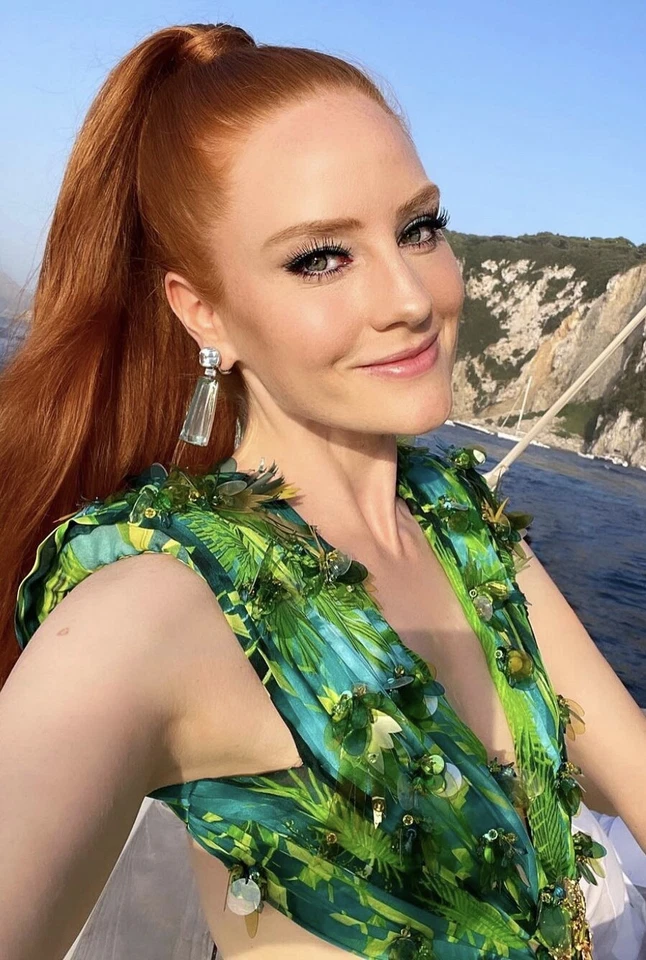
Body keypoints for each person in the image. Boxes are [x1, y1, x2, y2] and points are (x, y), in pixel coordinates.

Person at [0, 20, 645, 960]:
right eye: (320, 257)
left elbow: (629, 762)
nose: (411, 299)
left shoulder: (462, 524)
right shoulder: (160, 605)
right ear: (205, 313)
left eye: (419, 228)